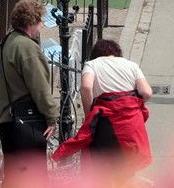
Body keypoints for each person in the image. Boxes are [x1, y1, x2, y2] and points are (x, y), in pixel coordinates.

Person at [0, 0, 58, 188]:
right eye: (41, 21)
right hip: (26, 123)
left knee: (12, 179)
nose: (42, 25)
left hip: (8, 119)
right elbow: (39, 87)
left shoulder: (6, 42)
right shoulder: (27, 47)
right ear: (31, 21)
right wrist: (52, 117)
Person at [53, 39, 152, 176]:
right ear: (117, 53)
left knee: (104, 172)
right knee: (126, 172)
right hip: (131, 126)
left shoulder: (92, 64)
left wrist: (89, 113)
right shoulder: (132, 66)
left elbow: (87, 86)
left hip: (107, 126)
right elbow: (147, 92)